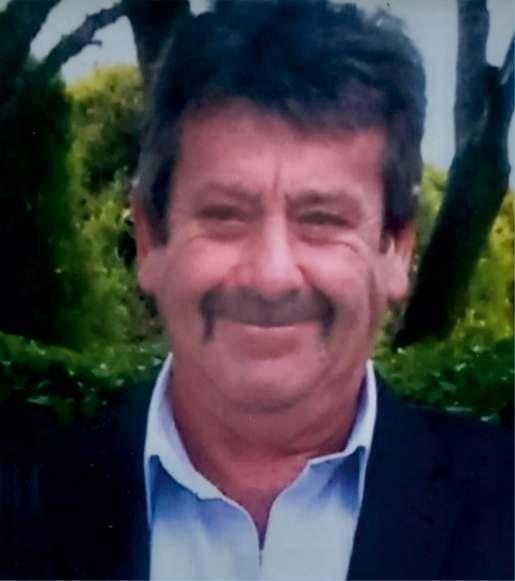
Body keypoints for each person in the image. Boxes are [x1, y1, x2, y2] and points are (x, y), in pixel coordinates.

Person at [0, 2, 512, 580]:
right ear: (151, 240)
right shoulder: (18, 511)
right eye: (225, 215)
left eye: (321, 220)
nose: (271, 277)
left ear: (395, 250)